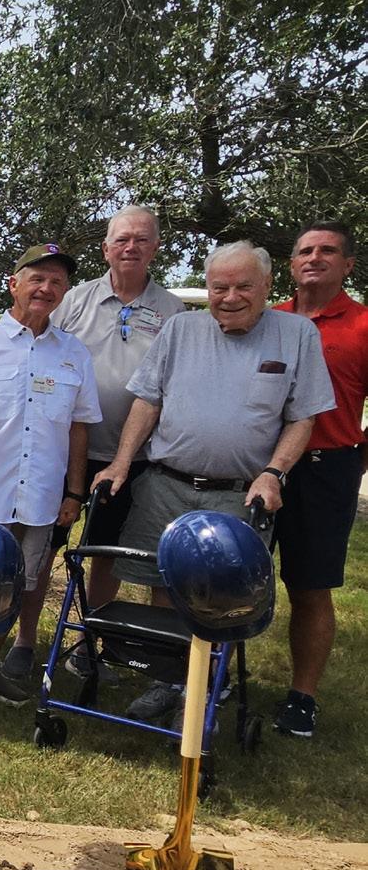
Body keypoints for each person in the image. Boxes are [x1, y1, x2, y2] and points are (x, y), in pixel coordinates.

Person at [93, 240, 335, 725]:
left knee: (220, 594)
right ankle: (171, 679)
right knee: (163, 581)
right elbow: (147, 401)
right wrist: (121, 463)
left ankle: (209, 685)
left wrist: (273, 473)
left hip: (237, 491)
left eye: (243, 285)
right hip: (166, 481)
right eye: (219, 286)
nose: (230, 296)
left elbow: (302, 417)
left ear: (267, 285)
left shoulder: (296, 334)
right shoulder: (182, 328)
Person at [4, 205, 186, 680]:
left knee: (107, 554)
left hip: (134, 457)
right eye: (122, 239)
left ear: (156, 247)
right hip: (65, 451)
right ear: (106, 248)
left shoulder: (174, 312)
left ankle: (92, 642)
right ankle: (25, 641)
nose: (131, 247)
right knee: (41, 550)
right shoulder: (73, 299)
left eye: (141, 240)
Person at [0, 244, 101, 704]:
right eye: (37, 278)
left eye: (56, 283)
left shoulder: (74, 354)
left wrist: (74, 492)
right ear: (14, 284)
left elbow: (78, 428)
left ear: (65, 292)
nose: (46, 289)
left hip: (41, 498)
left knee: (16, 585)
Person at [270, 222, 366, 738]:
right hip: (259, 468)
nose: (314, 258)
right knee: (231, 579)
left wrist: (354, 459)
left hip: (327, 468)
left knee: (309, 587)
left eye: (328, 251)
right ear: (291, 264)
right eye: (305, 250)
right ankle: (216, 675)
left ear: (347, 264)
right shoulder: (270, 320)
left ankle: (302, 697)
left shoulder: (362, 325)